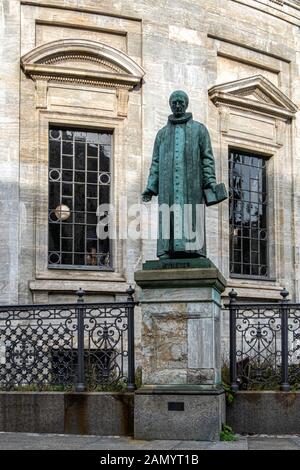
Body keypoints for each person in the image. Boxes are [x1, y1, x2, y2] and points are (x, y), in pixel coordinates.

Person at [142, 90, 224, 259]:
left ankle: (196, 251)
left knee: (193, 215)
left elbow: (207, 158)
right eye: (174, 103)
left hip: (192, 185)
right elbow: (155, 162)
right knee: (167, 215)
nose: (177, 105)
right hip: (167, 186)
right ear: (170, 105)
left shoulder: (199, 130)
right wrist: (151, 187)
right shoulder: (162, 134)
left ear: (186, 104)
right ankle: (166, 250)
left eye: (180, 102)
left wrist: (210, 182)